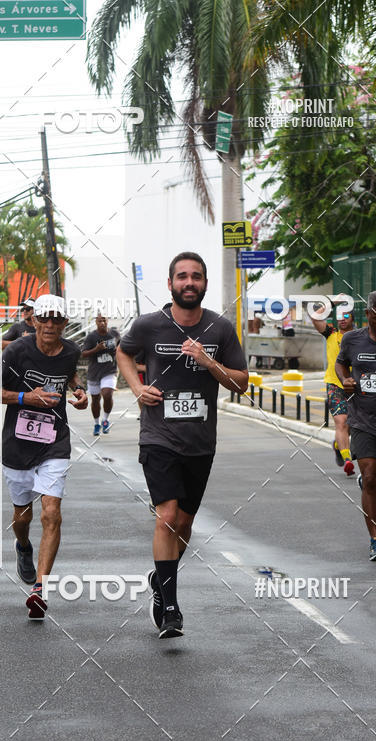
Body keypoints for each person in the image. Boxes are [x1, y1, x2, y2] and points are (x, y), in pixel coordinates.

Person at [116, 251, 248, 639]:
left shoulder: (220, 329)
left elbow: (241, 382)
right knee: (167, 516)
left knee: (185, 523)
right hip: (158, 436)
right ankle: (170, 608)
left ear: (204, 284)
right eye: (182, 277)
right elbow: (123, 352)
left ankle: (162, 578)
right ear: (170, 283)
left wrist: (209, 363)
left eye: (196, 277)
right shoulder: (149, 325)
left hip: (200, 441)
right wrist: (137, 388)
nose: (189, 283)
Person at [1, 294, 88, 620]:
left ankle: (40, 589)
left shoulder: (71, 351)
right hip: (18, 445)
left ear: (65, 323)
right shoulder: (16, 351)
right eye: (44, 318)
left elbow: (68, 376)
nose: (50, 324)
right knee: (22, 517)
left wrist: (78, 393)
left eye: (57, 319)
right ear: (34, 320)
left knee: (51, 512)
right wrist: (26, 397)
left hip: (54, 442)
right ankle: (23, 546)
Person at [335, 290, 376, 560]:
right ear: (368, 314)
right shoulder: (352, 339)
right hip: (362, 420)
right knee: (371, 477)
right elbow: (340, 365)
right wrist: (346, 379)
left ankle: (369, 482)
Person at [310, 298, 356, 476]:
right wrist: (335, 301)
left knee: (351, 424)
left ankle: (338, 445)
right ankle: (347, 460)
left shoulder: (359, 337)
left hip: (354, 385)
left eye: (346, 315)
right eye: (339, 316)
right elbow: (315, 317)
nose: (342, 319)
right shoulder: (331, 333)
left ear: (352, 318)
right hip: (334, 384)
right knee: (341, 422)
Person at [81, 315, 120, 435]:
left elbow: (122, 348)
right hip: (94, 373)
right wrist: (96, 349)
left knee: (107, 394)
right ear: (96, 323)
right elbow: (83, 354)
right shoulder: (92, 337)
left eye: (104, 320)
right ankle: (97, 423)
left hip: (110, 370)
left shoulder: (114, 334)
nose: (102, 322)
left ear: (108, 321)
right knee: (95, 399)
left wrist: (117, 350)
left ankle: (105, 420)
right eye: (99, 321)